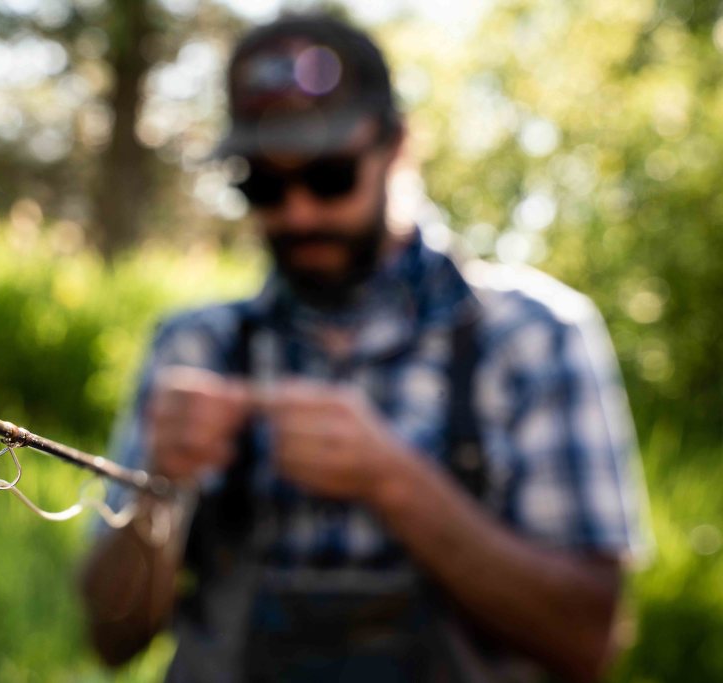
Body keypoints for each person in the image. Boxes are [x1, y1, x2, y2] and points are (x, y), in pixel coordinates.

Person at [79, 13, 649, 683]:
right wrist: (157, 492)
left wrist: (394, 481)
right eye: (262, 183)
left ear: (399, 148)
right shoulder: (194, 344)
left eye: (329, 177)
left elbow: (587, 640)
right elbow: (110, 640)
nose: (297, 213)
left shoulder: (534, 336)